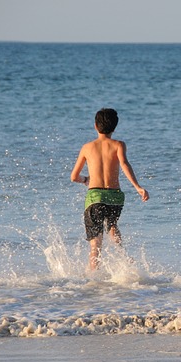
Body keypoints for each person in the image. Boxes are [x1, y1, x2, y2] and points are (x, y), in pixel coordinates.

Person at [70, 108, 149, 270]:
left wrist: (86, 180)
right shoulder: (119, 145)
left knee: (95, 244)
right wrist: (138, 187)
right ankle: (124, 258)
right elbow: (125, 165)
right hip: (115, 196)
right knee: (112, 227)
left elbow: (73, 177)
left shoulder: (87, 147)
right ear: (114, 128)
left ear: (95, 126)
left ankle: (93, 278)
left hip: (95, 196)